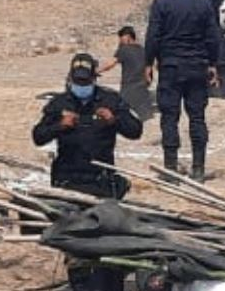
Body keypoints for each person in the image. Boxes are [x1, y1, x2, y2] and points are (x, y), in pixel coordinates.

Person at [143, 0, 221, 178]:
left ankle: (170, 169)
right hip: (197, 67)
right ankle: (198, 168)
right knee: (197, 117)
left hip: (170, 67)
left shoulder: (161, 2)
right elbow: (213, 37)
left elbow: (153, 36)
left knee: (169, 116)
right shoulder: (203, 3)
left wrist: (148, 63)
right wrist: (213, 64)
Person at [32, 52, 143, 197]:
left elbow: (135, 131)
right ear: (70, 79)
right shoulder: (59, 103)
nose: (81, 86)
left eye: (85, 82)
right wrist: (59, 126)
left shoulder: (110, 100)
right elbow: (38, 137)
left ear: (94, 79)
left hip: (100, 179)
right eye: (78, 82)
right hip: (67, 179)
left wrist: (114, 120)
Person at [99, 25, 153, 122]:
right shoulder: (143, 50)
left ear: (127, 36)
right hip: (143, 90)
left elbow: (110, 65)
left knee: (118, 113)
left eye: (121, 38)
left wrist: (96, 71)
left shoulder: (124, 50)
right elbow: (149, 70)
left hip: (129, 89)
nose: (120, 41)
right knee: (146, 118)